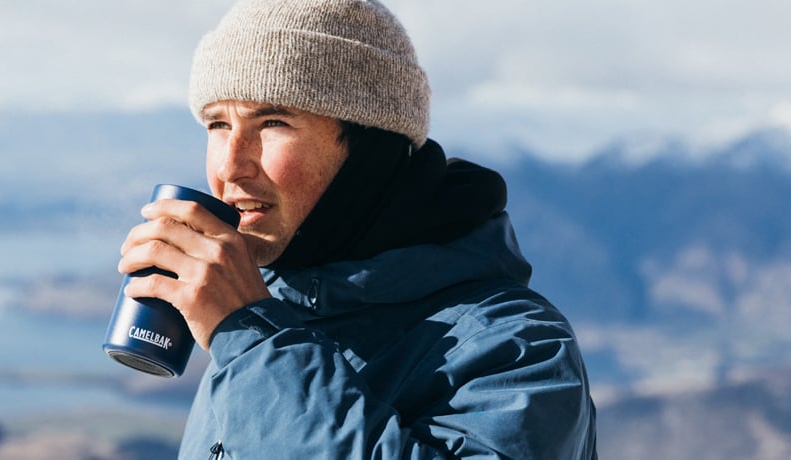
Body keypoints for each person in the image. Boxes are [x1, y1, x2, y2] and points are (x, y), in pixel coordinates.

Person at [116, 0, 598, 458]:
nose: (231, 167)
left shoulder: (519, 347)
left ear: (368, 152)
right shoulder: (274, 305)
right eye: (218, 124)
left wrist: (248, 337)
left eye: (274, 122)